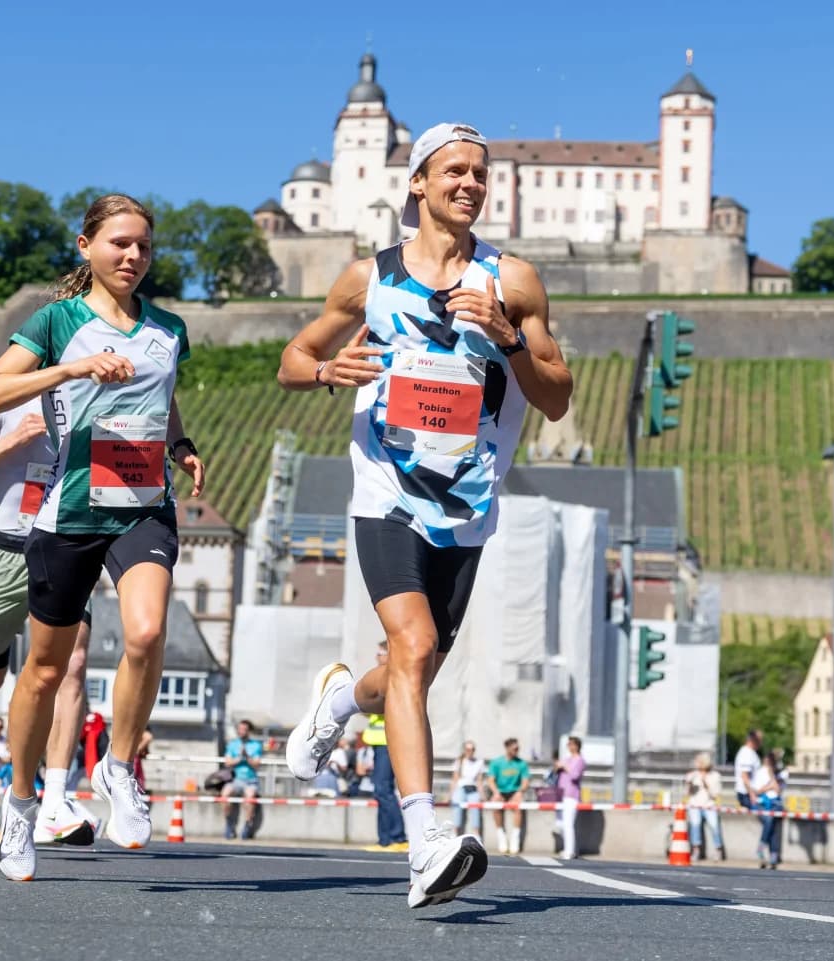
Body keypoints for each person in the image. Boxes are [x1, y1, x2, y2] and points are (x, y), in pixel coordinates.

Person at [277, 122, 573, 908]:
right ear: (418, 183)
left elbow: (557, 395)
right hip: (385, 494)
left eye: (481, 173)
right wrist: (328, 372)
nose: (471, 183)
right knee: (412, 646)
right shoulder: (367, 279)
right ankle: (426, 841)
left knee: (413, 668)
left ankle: (340, 702)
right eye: (455, 171)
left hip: (468, 505)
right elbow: (292, 361)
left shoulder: (514, 280)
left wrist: (508, 337)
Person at [0, 193, 206, 881]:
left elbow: (161, 399)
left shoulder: (168, 328)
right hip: (69, 511)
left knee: (145, 632)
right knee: (44, 671)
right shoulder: (56, 322)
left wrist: (180, 441)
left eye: (144, 247)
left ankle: (120, 766)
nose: (133, 256)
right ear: (86, 247)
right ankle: (20, 806)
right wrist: (73, 368)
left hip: (141, 503)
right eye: (119, 244)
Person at [0, 377, 103, 849]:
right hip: (3, 553)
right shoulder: (1, 395)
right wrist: (14, 438)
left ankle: (54, 798)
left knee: (71, 666)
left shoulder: (92, 397)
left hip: (63, 550)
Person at [362, 643, 408, 851]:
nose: (377, 656)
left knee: (384, 789)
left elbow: (382, 705)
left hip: (388, 742)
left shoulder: (392, 677)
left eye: (381, 653)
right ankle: (384, 839)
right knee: (380, 791)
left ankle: (398, 837)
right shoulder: (382, 675)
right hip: (379, 743)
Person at [486, 738, 532, 855]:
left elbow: (525, 782)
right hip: (500, 791)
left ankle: (515, 838)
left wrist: (519, 792)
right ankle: (501, 836)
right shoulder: (497, 762)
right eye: (514, 748)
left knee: (518, 807)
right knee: (496, 806)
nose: (517, 750)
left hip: (514, 791)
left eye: (518, 748)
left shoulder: (521, 764)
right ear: (507, 748)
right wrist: (496, 792)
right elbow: (491, 780)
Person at [221, 720, 263, 840]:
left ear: (249, 731)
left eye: (244, 729)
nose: (242, 731)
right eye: (240, 729)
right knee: (225, 794)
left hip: (250, 780)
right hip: (235, 779)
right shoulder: (233, 744)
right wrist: (239, 758)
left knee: (249, 798)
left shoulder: (256, 745)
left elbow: (256, 764)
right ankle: (229, 824)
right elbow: (227, 762)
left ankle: (247, 825)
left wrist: (247, 756)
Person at [684, 752, 725, 861]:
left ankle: (718, 850)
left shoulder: (715, 775)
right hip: (695, 805)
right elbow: (687, 793)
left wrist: (705, 783)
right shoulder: (693, 775)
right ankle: (696, 850)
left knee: (714, 826)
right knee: (695, 826)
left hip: (709, 805)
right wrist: (689, 784)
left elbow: (715, 795)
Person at [552, 736, 587, 859]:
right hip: (561, 794)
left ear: (577, 746)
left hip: (571, 795)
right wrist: (557, 767)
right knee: (560, 824)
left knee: (568, 824)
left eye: (572, 744)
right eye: (569, 744)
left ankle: (569, 850)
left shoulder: (580, 760)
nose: (570, 747)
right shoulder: (566, 759)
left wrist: (565, 766)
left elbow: (574, 776)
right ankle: (571, 848)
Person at [449, 740, 485, 839]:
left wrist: (483, 796)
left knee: (475, 807)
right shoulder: (459, 762)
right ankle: (455, 832)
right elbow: (454, 779)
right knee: (457, 805)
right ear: (464, 750)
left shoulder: (479, 762)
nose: (470, 751)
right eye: (468, 749)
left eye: (472, 749)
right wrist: (450, 795)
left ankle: (476, 833)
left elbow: (479, 781)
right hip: (461, 788)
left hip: (473, 789)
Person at [734, 729, 763, 809]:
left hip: (750, 792)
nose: (761, 742)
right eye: (760, 740)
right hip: (747, 793)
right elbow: (745, 776)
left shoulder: (751, 752)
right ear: (753, 740)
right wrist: (752, 794)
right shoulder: (746, 753)